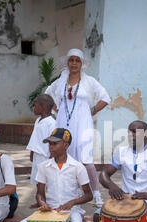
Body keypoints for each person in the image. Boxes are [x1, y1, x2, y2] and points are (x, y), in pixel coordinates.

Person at [45, 48, 110, 208]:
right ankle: (67, 193)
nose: (74, 63)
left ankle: (96, 194)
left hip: (83, 123)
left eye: (77, 60)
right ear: (67, 62)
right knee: (61, 155)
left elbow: (105, 98)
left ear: (82, 64)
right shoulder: (60, 81)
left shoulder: (89, 81)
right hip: (62, 122)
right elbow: (47, 95)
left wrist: (92, 110)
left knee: (86, 158)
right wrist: (56, 109)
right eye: (71, 60)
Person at [26, 94, 56, 186]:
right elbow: (35, 138)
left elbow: (53, 141)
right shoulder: (38, 120)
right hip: (37, 155)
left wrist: (52, 157)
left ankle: (47, 199)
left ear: (43, 107)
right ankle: (40, 199)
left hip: (45, 156)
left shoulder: (51, 123)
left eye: (35, 105)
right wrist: (32, 153)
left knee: (46, 181)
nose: (33, 108)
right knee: (38, 180)